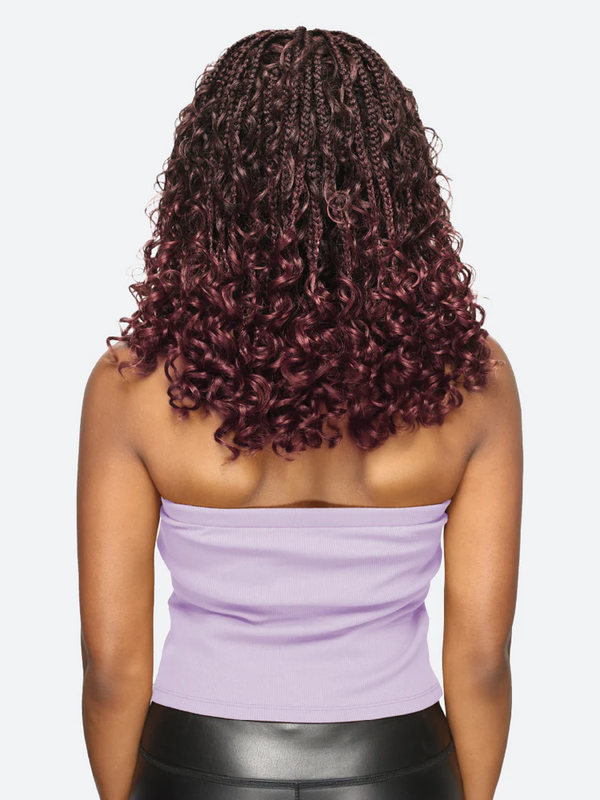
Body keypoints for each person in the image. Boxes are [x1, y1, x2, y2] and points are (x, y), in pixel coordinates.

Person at [77, 26, 523, 800]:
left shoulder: (133, 388)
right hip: (395, 766)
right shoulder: (473, 381)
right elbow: (482, 660)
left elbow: (111, 667)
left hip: (201, 765)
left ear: (211, 187)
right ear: (397, 189)